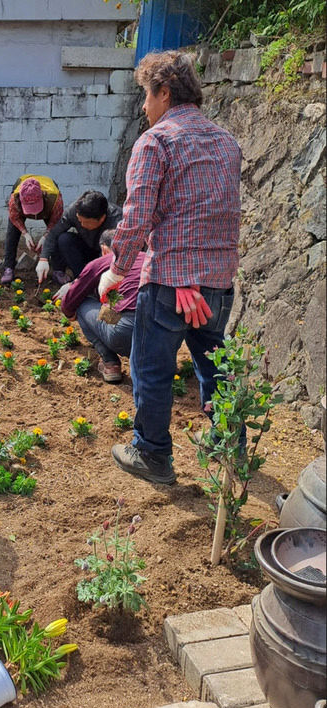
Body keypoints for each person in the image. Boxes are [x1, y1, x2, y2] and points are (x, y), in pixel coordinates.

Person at [97, 51, 241, 486]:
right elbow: (221, 211)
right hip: (217, 282)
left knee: (152, 370)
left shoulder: (155, 142)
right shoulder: (227, 142)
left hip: (165, 287)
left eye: (146, 95)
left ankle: (153, 454)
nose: (144, 106)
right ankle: (228, 448)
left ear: (164, 92)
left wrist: (116, 270)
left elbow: (138, 216)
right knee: (215, 366)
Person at [56, 248, 145, 383]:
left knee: (82, 303)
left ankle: (110, 364)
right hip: (164, 338)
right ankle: (161, 365)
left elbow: (69, 304)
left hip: (127, 334)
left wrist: (72, 312)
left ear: (104, 249)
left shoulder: (106, 260)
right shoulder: (150, 258)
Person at [36, 190, 122, 283]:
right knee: (64, 239)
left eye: (86, 222)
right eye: (79, 221)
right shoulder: (74, 210)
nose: (82, 225)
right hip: (87, 248)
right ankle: (80, 277)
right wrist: (43, 258)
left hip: (107, 256)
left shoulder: (117, 222)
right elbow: (54, 232)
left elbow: (111, 259)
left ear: (102, 219)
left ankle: (88, 282)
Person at [1, 174, 63, 285]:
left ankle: (59, 270)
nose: (34, 213)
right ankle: (8, 268)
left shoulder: (55, 199)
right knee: (12, 234)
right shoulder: (14, 200)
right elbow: (14, 217)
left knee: (56, 235)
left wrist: (45, 236)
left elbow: (55, 222)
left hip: (49, 204)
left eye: (36, 207)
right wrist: (25, 234)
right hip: (20, 203)